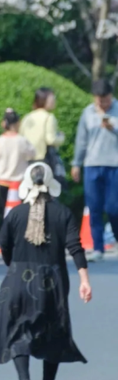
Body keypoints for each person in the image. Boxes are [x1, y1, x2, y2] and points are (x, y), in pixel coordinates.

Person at [0, 162, 91, 380]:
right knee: (54, 332)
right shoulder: (63, 213)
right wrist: (84, 280)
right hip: (53, 280)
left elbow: (4, 244)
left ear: (27, 184)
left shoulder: (16, 214)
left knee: (19, 329)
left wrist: (13, 265)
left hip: (18, 278)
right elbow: (75, 247)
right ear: (51, 183)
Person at [72, 78, 118, 262]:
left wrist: (113, 127)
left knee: (113, 208)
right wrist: (76, 163)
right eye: (99, 100)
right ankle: (98, 247)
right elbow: (81, 141)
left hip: (114, 164)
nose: (103, 104)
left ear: (111, 95)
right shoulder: (88, 113)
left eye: (106, 100)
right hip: (92, 164)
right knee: (94, 208)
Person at [0, 108, 36, 215]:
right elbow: (32, 154)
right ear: (18, 123)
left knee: (4, 210)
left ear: (3, 124)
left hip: (2, 180)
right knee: (19, 212)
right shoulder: (22, 140)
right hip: (19, 181)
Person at [20, 87, 65, 162]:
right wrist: (61, 137)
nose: (54, 100)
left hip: (26, 159)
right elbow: (51, 140)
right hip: (42, 158)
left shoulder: (27, 117)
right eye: (52, 98)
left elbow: (21, 137)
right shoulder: (48, 117)